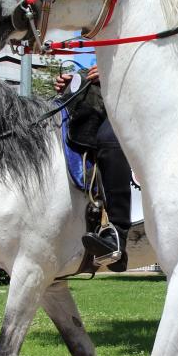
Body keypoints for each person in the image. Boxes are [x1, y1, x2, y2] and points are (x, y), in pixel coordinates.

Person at [55, 65, 133, 270]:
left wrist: (113, 73)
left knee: (109, 138)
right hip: (105, 100)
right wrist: (75, 82)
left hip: (139, 96)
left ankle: (117, 235)